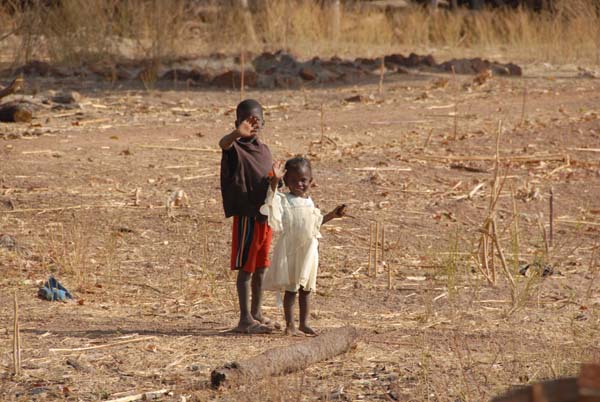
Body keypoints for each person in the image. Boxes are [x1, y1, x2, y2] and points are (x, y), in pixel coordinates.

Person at [260, 156, 346, 336]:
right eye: (293, 180)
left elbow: (316, 223)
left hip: (308, 251)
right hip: (291, 251)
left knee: (306, 289)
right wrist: (275, 180)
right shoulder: (283, 200)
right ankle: (290, 325)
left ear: (311, 181)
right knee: (291, 289)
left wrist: (333, 215)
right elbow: (271, 199)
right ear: (286, 181)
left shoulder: (309, 202)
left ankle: (304, 323)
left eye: (303, 180)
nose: (299, 184)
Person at [219, 99, 275, 334]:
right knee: (246, 268)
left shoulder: (264, 149)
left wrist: (278, 178)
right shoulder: (235, 148)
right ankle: (244, 319)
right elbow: (222, 143)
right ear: (237, 122)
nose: (252, 125)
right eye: (247, 121)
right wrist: (235, 133)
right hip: (246, 216)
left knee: (261, 266)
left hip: (264, 217)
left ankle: (256, 312)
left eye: (257, 120)